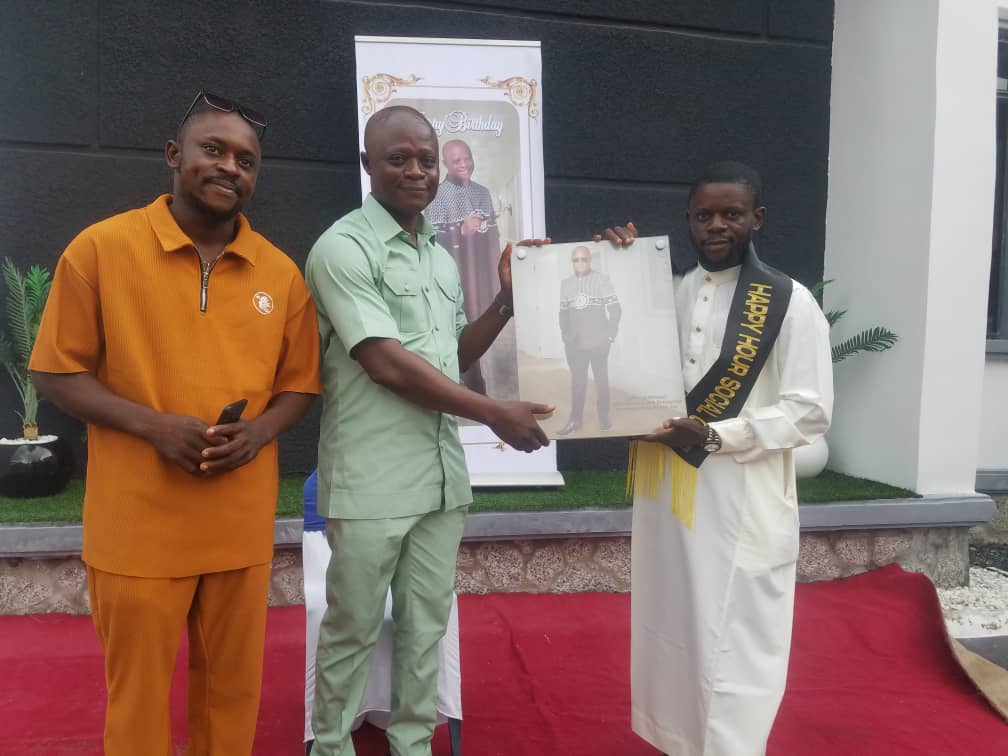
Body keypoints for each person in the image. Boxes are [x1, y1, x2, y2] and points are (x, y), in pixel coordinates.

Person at [28, 91, 322, 755]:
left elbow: (300, 384)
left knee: (231, 695)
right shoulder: (101, 249)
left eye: (246, 159)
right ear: (173, 155)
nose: (229, 167)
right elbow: (55, 371)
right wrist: (154, 426)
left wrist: (261, 432)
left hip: (237, 523)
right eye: (212, 150)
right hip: (136, 524)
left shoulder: (280, 273)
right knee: (137, 699)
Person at [304, 105, 551, 756]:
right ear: (367, 164)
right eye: (398, 159)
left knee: (425, 629)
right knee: (353, 629)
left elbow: (452, 355)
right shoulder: (342, 248)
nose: (417, 171)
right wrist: (494, 412)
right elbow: (384, 362)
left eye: (426, 159)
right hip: (372, 479)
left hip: (440, 480)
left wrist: (506, 302)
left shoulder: (438, 259)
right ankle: (330, 747)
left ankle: (412, 745)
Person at [603, 162, 833, 756]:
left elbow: (809, 412)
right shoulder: (672, 292)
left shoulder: (788, 302)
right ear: (688, 219)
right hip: (670, 491)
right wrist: (617, 268)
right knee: (671, 619)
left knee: (736, 634)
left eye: (731, 214)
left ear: (758, 219)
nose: (716, 225)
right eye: (704, 214)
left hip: (742, 496)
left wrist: (717, 436)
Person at [425, 139, 503, 394]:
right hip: (452, 276)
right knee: (461, 330)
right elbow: (429, 241)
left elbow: (493, 235)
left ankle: (479, 385)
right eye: (456, 160)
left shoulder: (483, 192)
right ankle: (473, 389)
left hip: (482, 275)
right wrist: (460, 231)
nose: (464, 164)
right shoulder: (436, 195)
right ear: (445, 164)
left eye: (467, 158)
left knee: (484, 326)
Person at [556, 245, 621, 434]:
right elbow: (563, 314)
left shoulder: (602, 279)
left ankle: (604, 417)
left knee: (601, 381)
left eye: (583, 259)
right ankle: (575, 420)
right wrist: (566, 337)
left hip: (599, 342)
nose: (580, 263)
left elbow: (615, 309)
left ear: (589, 260)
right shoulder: (565, 284)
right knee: (578, 383)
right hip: (575, 344)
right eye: (575, 260)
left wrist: (610, 335)